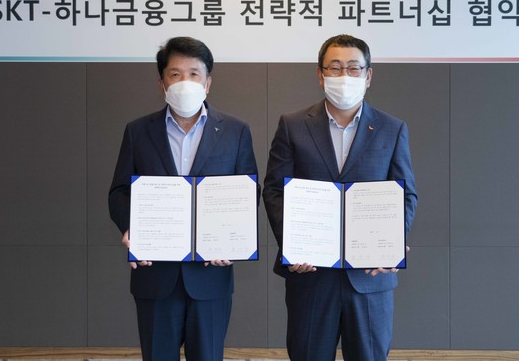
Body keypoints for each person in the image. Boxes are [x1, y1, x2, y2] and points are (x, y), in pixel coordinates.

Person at [263, 34, 417, 361]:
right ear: (320, 75)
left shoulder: (392, 128)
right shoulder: (293, 125)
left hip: (370, 279)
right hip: (311, 276)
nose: (344, 76)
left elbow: (405, 194)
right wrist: (292, 244)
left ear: (368, 75)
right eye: (334, 68)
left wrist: (393, 241)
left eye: (353, 68)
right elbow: (274, 190)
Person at [108, 36, 258, 361]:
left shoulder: (235, 131)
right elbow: (119, 192)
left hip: (211, 276)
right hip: (155, 275)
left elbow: (248, 193)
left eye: (193, 74)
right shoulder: (138, 131)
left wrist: (233, 240)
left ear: (208, 82)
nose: (185, 82)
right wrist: (132, 228)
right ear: (162, 83)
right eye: (175, 74)